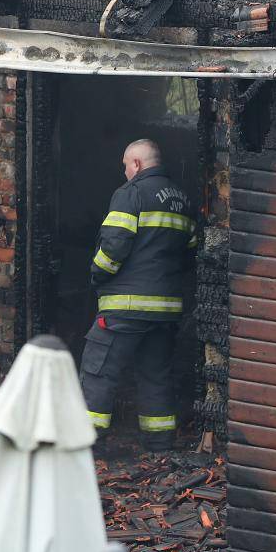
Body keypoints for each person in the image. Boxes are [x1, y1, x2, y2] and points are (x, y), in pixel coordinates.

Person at [81, 138, 197, 452]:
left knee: (99, 369)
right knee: (155, 374)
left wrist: (96, 274)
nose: (124, 172)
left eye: (125, 165)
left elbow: (114, 246)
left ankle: (85, 444)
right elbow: (190, 255)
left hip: (125, 307)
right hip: (166, 310)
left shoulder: (130, 193)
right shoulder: (182, 200)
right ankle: (159, 443)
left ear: (137, 164)